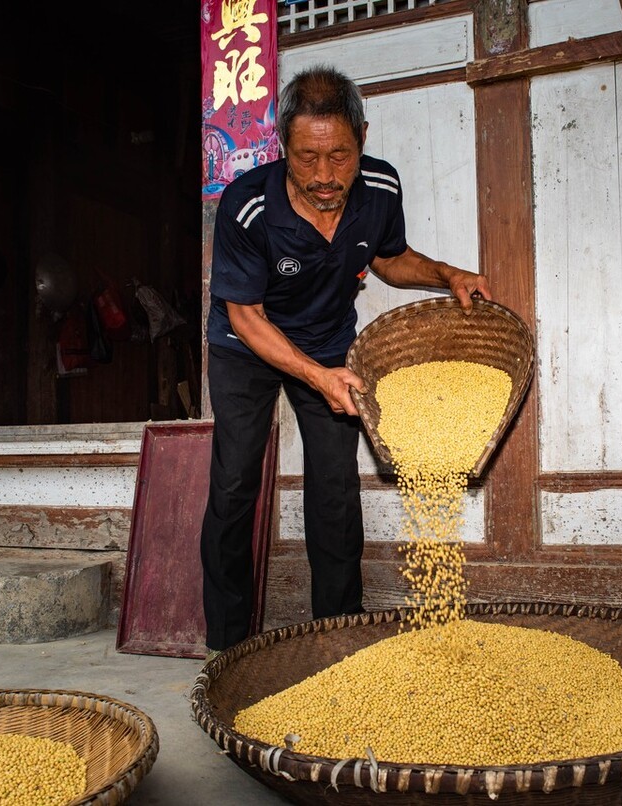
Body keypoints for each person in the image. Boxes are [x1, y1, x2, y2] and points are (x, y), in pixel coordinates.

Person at [200, 64, 491, 654]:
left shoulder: (380, 188)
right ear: (284, 145)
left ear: (363, 135)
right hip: (247, 343)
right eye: (307, 158)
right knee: (235, 484)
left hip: (331, 341)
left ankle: (339, 632)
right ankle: (228, 644)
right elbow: (246, 316)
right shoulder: (246, 205)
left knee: (334, 487)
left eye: (340, 156)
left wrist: (446, 274)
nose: (325, 175)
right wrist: (315, 377)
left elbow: (388, 258)